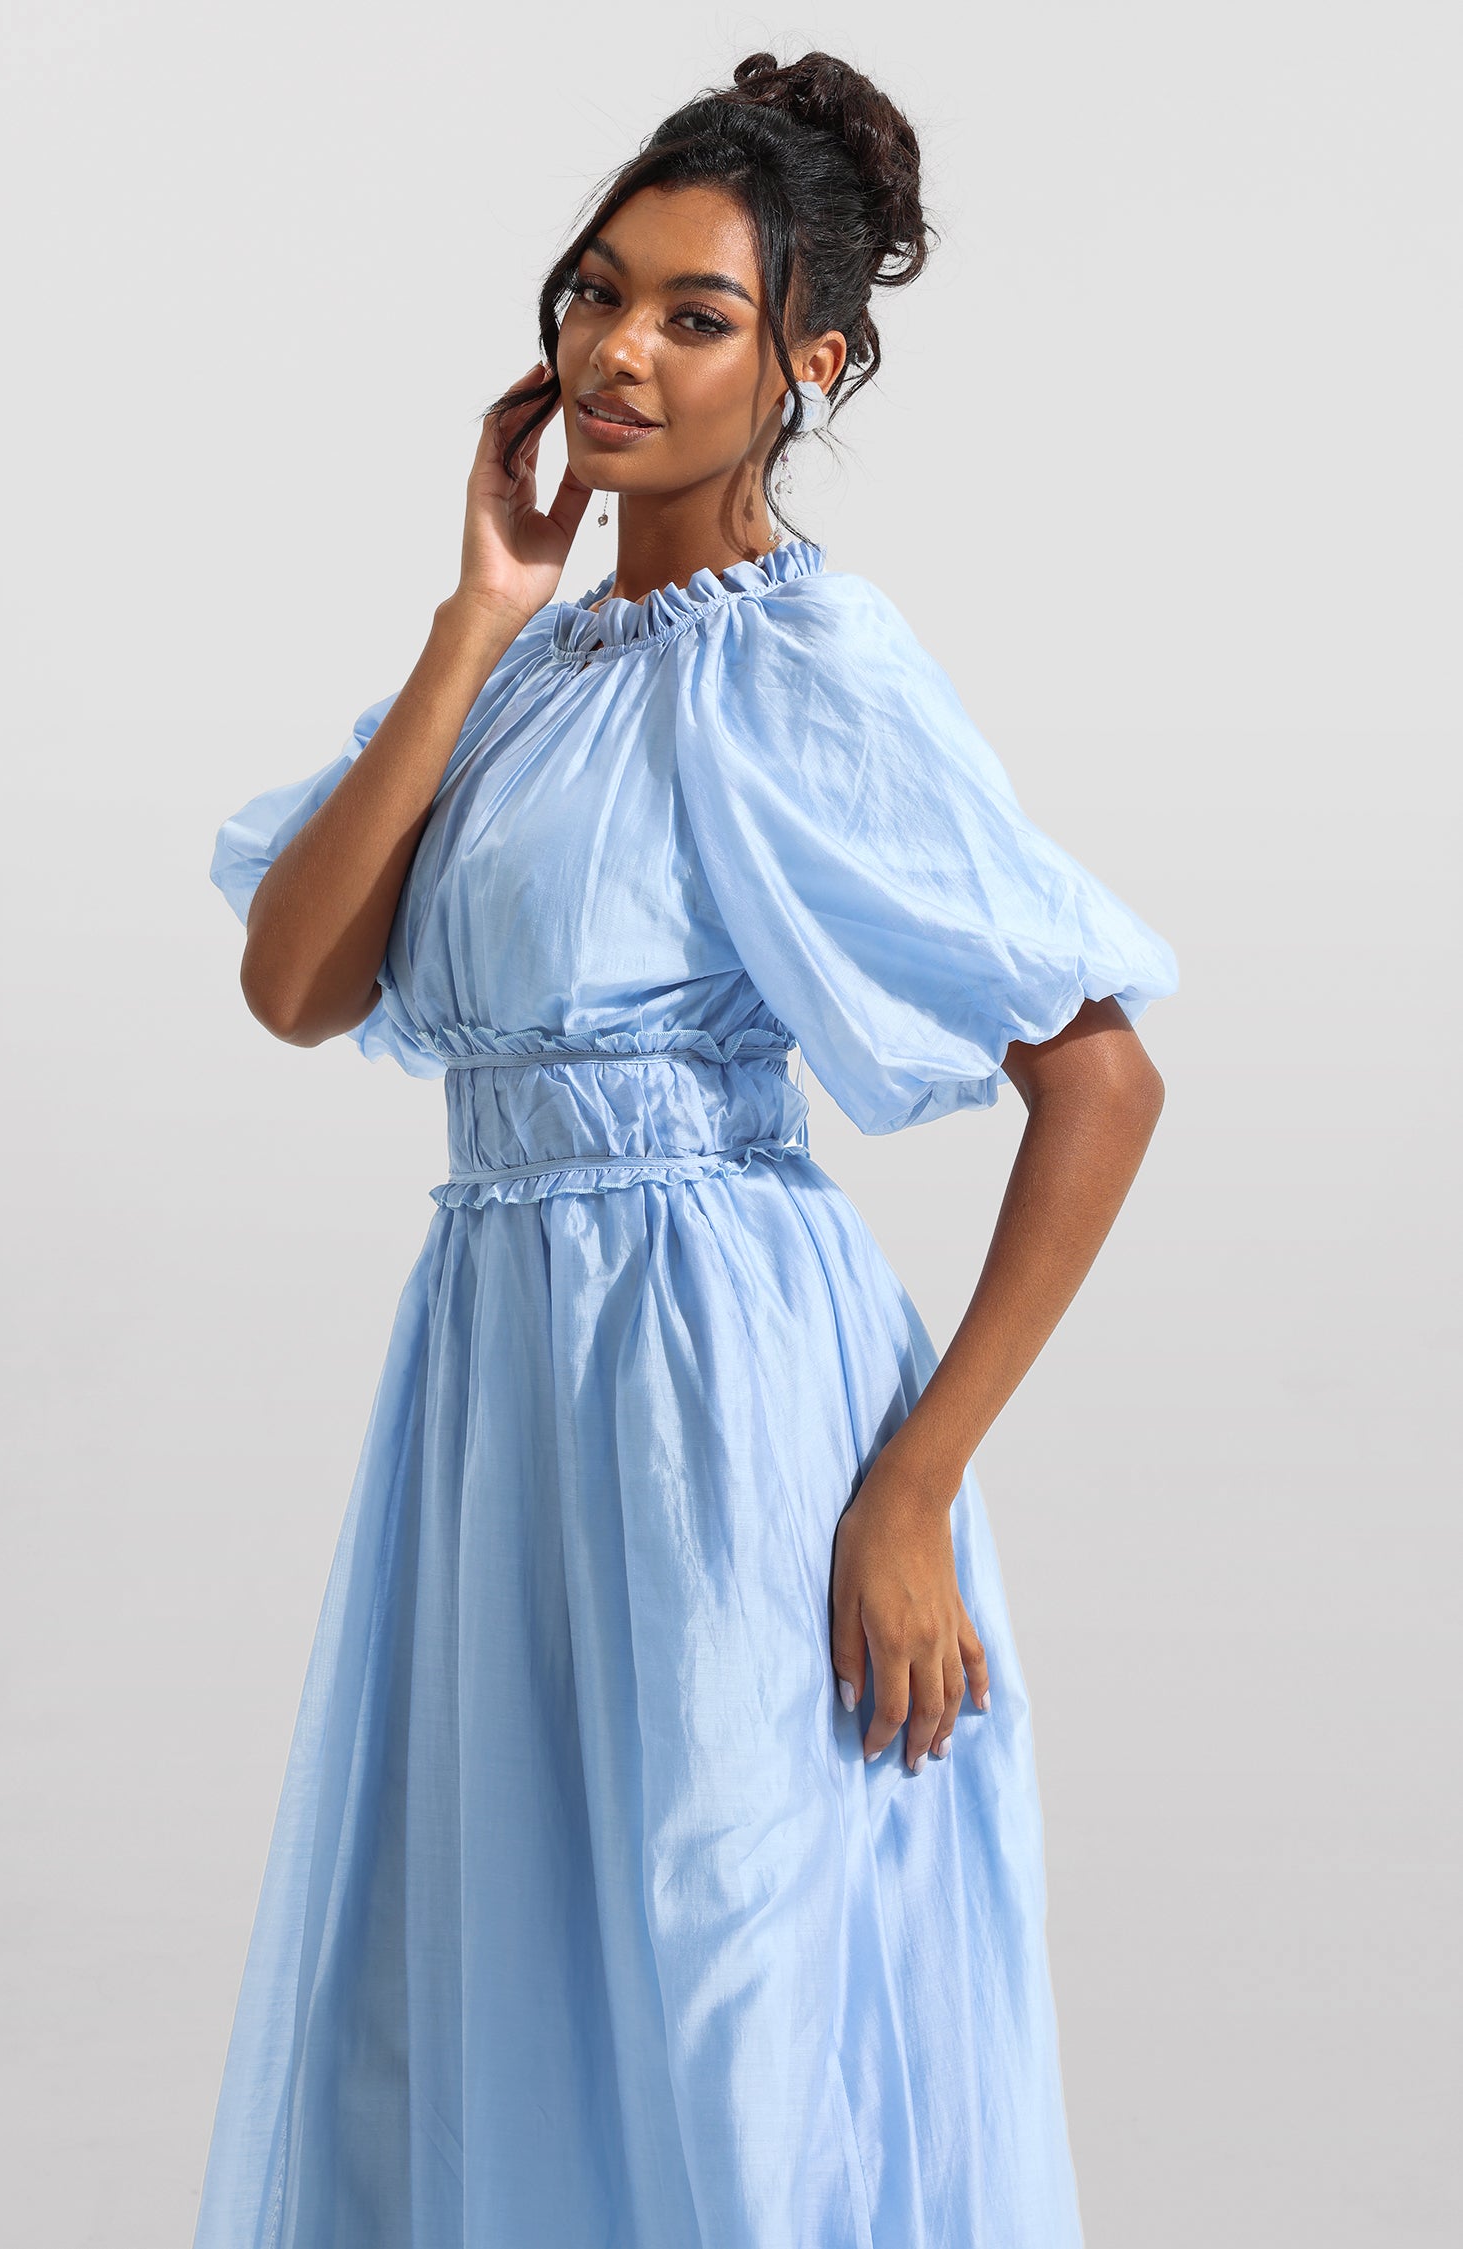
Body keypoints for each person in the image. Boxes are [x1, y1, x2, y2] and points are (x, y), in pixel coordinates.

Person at [194, 48, 1177, 2249]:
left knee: (735, 1997)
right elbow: (298, 981)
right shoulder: (528, 671)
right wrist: (478, 613)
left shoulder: (812, 663)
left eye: (696, 316)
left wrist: (910, 1488)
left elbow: (1102, 1081)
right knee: (485, 1998)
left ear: (809, 363)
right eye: (594, 293)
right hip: (496, 1397)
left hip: (719, 1406)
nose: (617, 352)